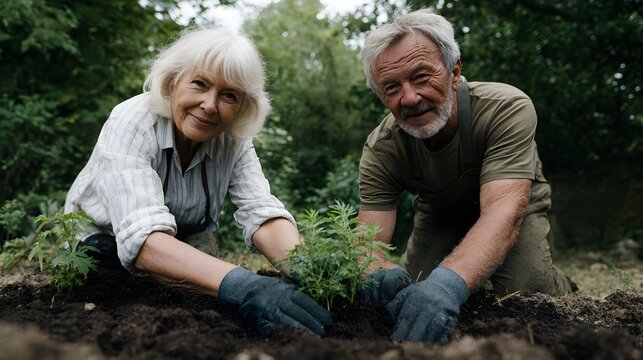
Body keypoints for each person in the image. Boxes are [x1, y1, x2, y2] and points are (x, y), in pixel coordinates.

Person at [64, 27, 331, 336]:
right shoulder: (132, 123)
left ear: (242, 105)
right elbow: (143, 239)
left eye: (228, 95)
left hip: (184, 239)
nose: (209, 104)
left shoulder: (233, 140)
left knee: (202, 300)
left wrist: (312, 274)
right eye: (200, 84)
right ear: (173, 81)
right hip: (103, 241)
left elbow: (262, 213)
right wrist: (246, 285)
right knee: (109, 276)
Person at [355, 9, 576, 343]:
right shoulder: (382, 149)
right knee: (415, 293)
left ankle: (569, 290)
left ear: (454, 71)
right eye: (392, 88)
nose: (410, 98)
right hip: (439, 212)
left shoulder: (505, 108)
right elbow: (367, 241)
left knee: (525, 294)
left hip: (511, 202)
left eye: (421, 77)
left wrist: (447, 285)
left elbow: (504, 211)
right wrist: (374, 270)